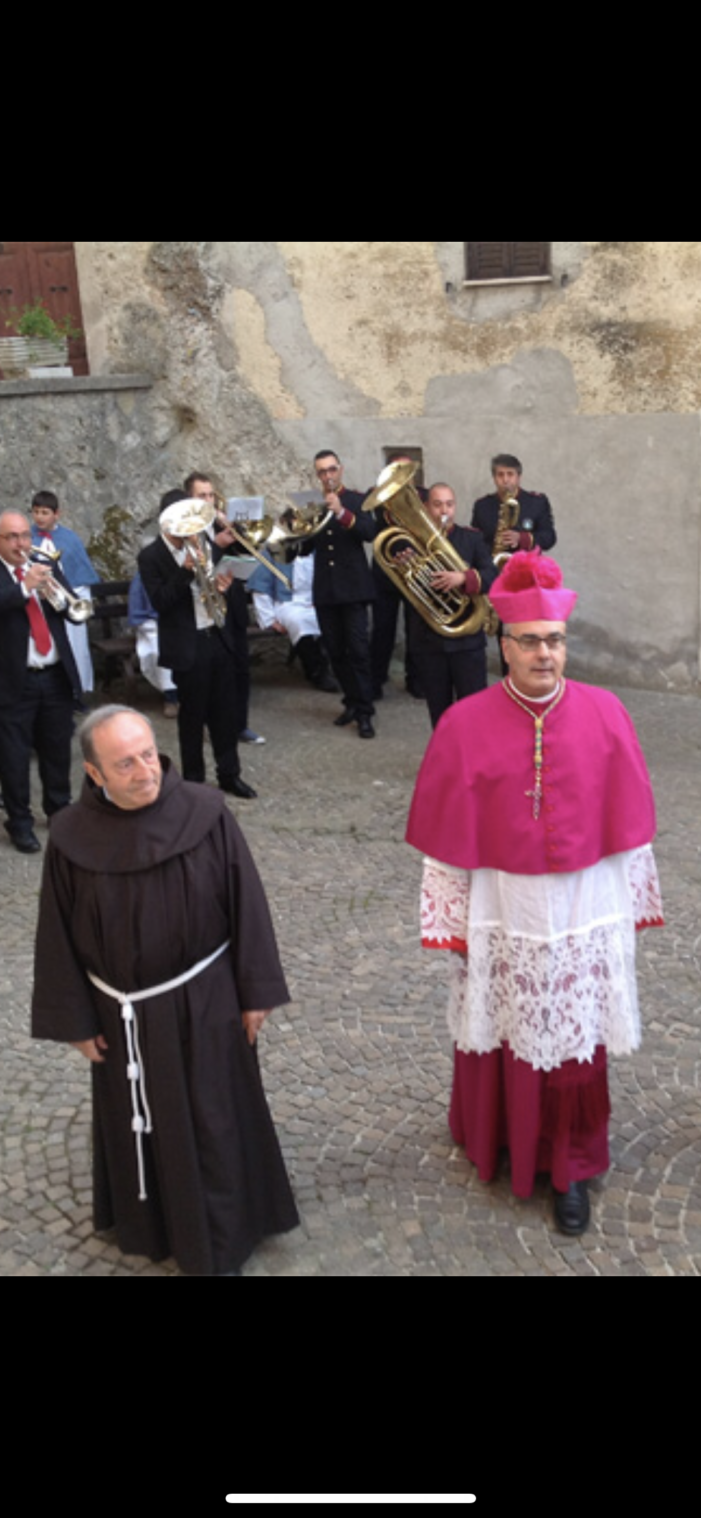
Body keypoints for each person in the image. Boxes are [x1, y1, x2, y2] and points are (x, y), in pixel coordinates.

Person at [406, 550, 663, 1235]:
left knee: (572, 1031)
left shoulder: (607, 713)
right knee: (500, 1021)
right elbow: (445, 838)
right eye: (529, 642)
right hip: (501, 900)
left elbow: (629, 830)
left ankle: (570, 1165)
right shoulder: (462, 725)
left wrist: (618, 908)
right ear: (503, 643)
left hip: (581, 904)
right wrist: (454, 918)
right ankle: (494, 1136)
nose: (544, 655)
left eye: (554, 641)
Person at [31, 705, 299, 1276]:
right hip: (120, 1012)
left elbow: (246, 902)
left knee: (216, 1119)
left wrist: (255, 993)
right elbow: (56, 932)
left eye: (148, 754)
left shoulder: (205, 812)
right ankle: (152, 1227)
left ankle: (225, 1235)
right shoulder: (71, 837)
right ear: (94, 773)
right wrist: (76, 1022)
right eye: (124, 763)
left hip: (206, 1000)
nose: (144, 771)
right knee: (142, 1123)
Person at [138, 492, 256, 799]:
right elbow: (161, 603)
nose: (190, 529)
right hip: (187, 646)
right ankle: (193, 781)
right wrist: (185, 571)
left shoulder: (205, 543)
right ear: (167, 524)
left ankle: (230, 774)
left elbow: (221, 582)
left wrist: (224, 587)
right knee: (192, 718)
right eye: (182, 523)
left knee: (225, 714)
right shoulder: (151, 557)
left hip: (217, 636)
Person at [0, 510, 82, 854]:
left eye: (24, 535)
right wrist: (24, 587)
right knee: (14, 757)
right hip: (13, 681)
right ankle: (19, 822)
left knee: (57, 749)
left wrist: (54, 590)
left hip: (53, 674)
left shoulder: (42, 561)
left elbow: (70, 610)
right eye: (12, 537)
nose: (21, 543)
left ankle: (59, 810)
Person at [404, 482, 497, 728]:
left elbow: (492, 575)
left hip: (467, 643)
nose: (443, 510)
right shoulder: (412, 542)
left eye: (449, 504)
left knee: (474, 711)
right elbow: (399, 588)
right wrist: (406, 568)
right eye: (437, 504)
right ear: (425, 508)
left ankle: (475, 764)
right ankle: (445, 763)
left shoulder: (472, 538)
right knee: (439, 713)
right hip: (429, 641)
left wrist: (463, 578)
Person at [185, 472, 263, 746]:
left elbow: (249, 552)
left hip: (235, 608)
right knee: (218, 676)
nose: (208, 500)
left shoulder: (220, 525)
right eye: (201, 496)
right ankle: (217, 726)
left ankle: (240, 725)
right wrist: (216, 547)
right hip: (210, 614)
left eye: (210, 495)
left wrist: (236, 530)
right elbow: (200, 570)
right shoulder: (188, 531)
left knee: (241, 669)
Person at [305, 450, 377, 738]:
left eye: (331, 470)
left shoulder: (356, 500)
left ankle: (365, 711)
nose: (328, 476)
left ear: (341, 470)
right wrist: (294, 534)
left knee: (358, 651)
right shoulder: (312, 504)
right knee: (335, 652)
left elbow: (369, 532)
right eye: (322, 472)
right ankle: (350, 701)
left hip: (354, 589)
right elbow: (306, 548)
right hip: (326, 590)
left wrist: (341, 512)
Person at [248, 547, 338, 691]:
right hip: (287, 603)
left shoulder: (319, 549)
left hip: (317, 602)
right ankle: (316, 671)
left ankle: (329, 666)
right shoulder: (273, 550)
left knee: (330, 620)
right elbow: (261, 587)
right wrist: (269, 619)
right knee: (299, 622)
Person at [471, 453, 557, 558]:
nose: (505, 480)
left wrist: (521, 538)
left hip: (527, 567)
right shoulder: (482, 506)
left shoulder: (537, 502)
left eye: (510, 474)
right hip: (494, 569)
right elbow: (475, 542)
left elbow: (549, 538)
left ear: (518, 477)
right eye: (500, 475)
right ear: (494, 478)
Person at [127, 570, 179, 716]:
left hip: (183, 624)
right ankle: (171, 698)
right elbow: (138, 612)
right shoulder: (144, 575)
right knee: (161, 650)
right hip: (153, 626)